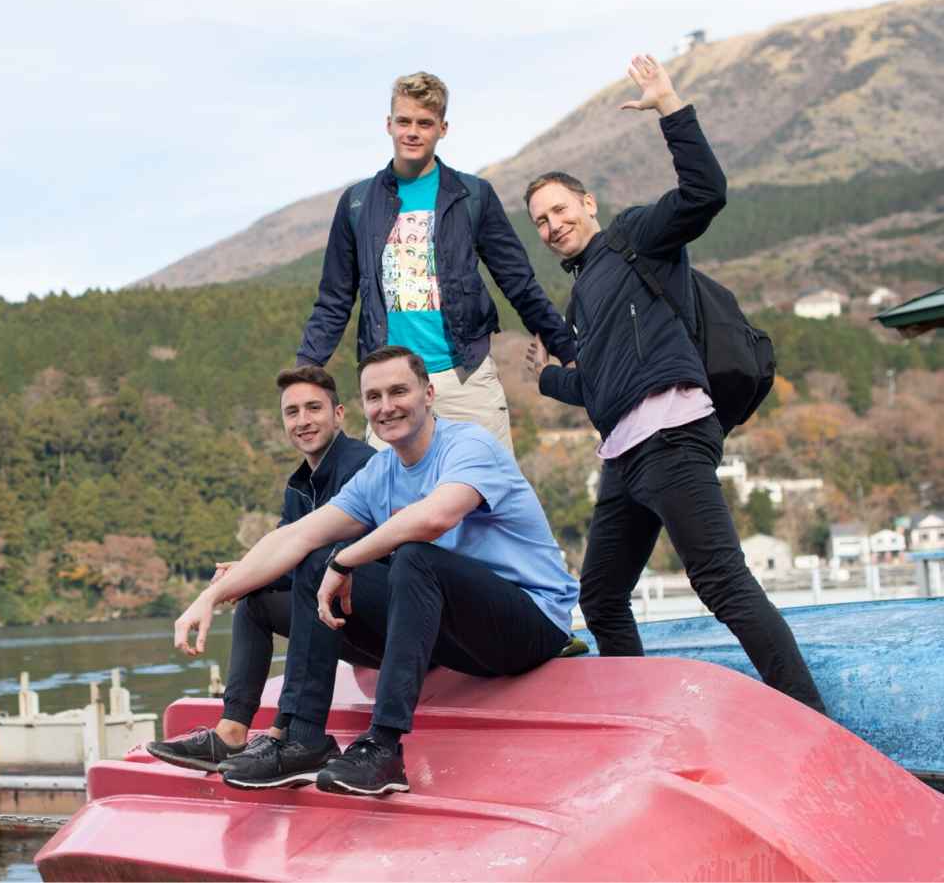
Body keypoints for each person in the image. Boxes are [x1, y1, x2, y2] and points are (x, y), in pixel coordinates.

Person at [522, 54, 824, 713]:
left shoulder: (634, 238)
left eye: (558, 210)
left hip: (673, 434)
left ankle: (811, 717)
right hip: (624, 458)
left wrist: (668, 105)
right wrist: (549, 380)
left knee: (721, 582)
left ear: (587, 204)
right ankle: (639, 725)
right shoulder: (581, 299)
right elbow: (599, 390)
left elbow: (705, 192)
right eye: (540, 221)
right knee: (600, 597)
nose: (551, 226)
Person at [173, 346, 578, 795]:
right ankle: (303, 741)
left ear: (428, 394)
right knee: (312, 557)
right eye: (375, 396)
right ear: (364, 408)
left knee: (411, 554)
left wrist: (346, 560)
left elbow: (434, 518)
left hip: (530, 626)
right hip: (457, 637)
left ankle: (384, 748)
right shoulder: (380, 472)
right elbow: (296, 535)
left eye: (398, 391)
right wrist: (209, 596)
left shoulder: (469, 445)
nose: (387, 406)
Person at [295, 71, 577, 453]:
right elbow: (334, 299)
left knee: (490, 503)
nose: (413, 132)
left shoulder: (472, 196)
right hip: (389, 386)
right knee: (395, 509)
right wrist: (306, 371)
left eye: (424, 123)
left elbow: (519, 283)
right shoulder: (358, 204)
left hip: (465, 377)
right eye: (404, 121)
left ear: (442, 128)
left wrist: (570, 350)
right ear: (388, 125)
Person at [146, 366, 388, 771]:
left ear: (340, 413)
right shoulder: (299, 485)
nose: (303, 420)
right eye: (292, 412)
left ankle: (295, 735)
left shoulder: (361, 465)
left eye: (314, 408)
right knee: (256, 600)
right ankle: (231, 731)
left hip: (383, 616)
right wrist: (241, 575)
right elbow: (283, 555)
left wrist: (242, 579)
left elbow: (335, 556)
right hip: (337, 618)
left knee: (311, 568)